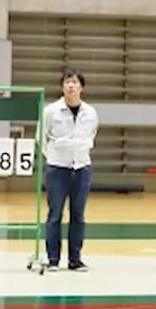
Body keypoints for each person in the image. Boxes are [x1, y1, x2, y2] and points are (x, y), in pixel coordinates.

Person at [43, 69, 98, 272]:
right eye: (67, 82)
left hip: (82, 168)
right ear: (62, 86)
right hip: (58, 168)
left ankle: (75, 259)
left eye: (75, 82)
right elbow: (43, 138)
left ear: (81, 87)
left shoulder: (90, 113)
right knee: (55, 214)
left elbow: (92, 136)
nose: (71, 86)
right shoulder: (51, 111)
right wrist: (54, 157)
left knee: (78, 215)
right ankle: (53, 259)